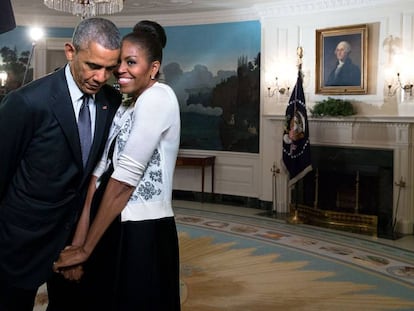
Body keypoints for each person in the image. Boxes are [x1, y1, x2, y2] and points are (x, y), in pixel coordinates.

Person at [53, 20, 181, 310]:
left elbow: (124, 180)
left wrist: (85, 250)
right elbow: (96, 179)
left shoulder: (159, 97)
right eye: (119, 62)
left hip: (142, 230)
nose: (120, 69)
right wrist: (80, 244)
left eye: (131, 62)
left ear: (153, 68)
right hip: (108, 221)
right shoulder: (125, 105)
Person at [0, 17, 122, 311]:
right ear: (71, 51)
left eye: (110, 68)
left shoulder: (111, 101)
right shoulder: (27, 102)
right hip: (20, 242)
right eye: (93, 65)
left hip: (73, 243)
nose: (101, 76)